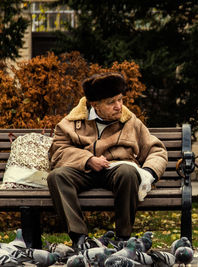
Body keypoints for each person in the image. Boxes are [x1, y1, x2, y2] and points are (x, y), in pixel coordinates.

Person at [47, 72, 168, 249]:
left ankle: (123, 239)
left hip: (117, 171)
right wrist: (88, 160)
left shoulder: (131, 122)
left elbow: (156, 150)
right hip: (84, 171)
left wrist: (149, 173)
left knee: (128, 172)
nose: (119, 106)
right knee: (56, 176)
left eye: (120, 99)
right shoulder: (71, 122)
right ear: (95, 105)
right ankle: (80, 238)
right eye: (111, 102)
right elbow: (58, 151)